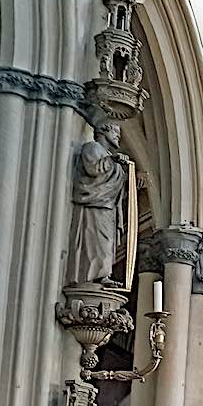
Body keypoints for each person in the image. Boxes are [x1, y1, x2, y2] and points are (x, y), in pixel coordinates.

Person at [65, 122, 128, 287]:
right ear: (103, 131)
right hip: (94, 204)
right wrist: (111, 160)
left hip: (108, 205)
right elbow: (93, 169)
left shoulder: (106, 153)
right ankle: (92, 276)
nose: (118, 136)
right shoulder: (92, 148)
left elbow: (115, 184)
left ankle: (103, 275)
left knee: (106, 243)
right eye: (115, 131)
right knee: (96, 242)